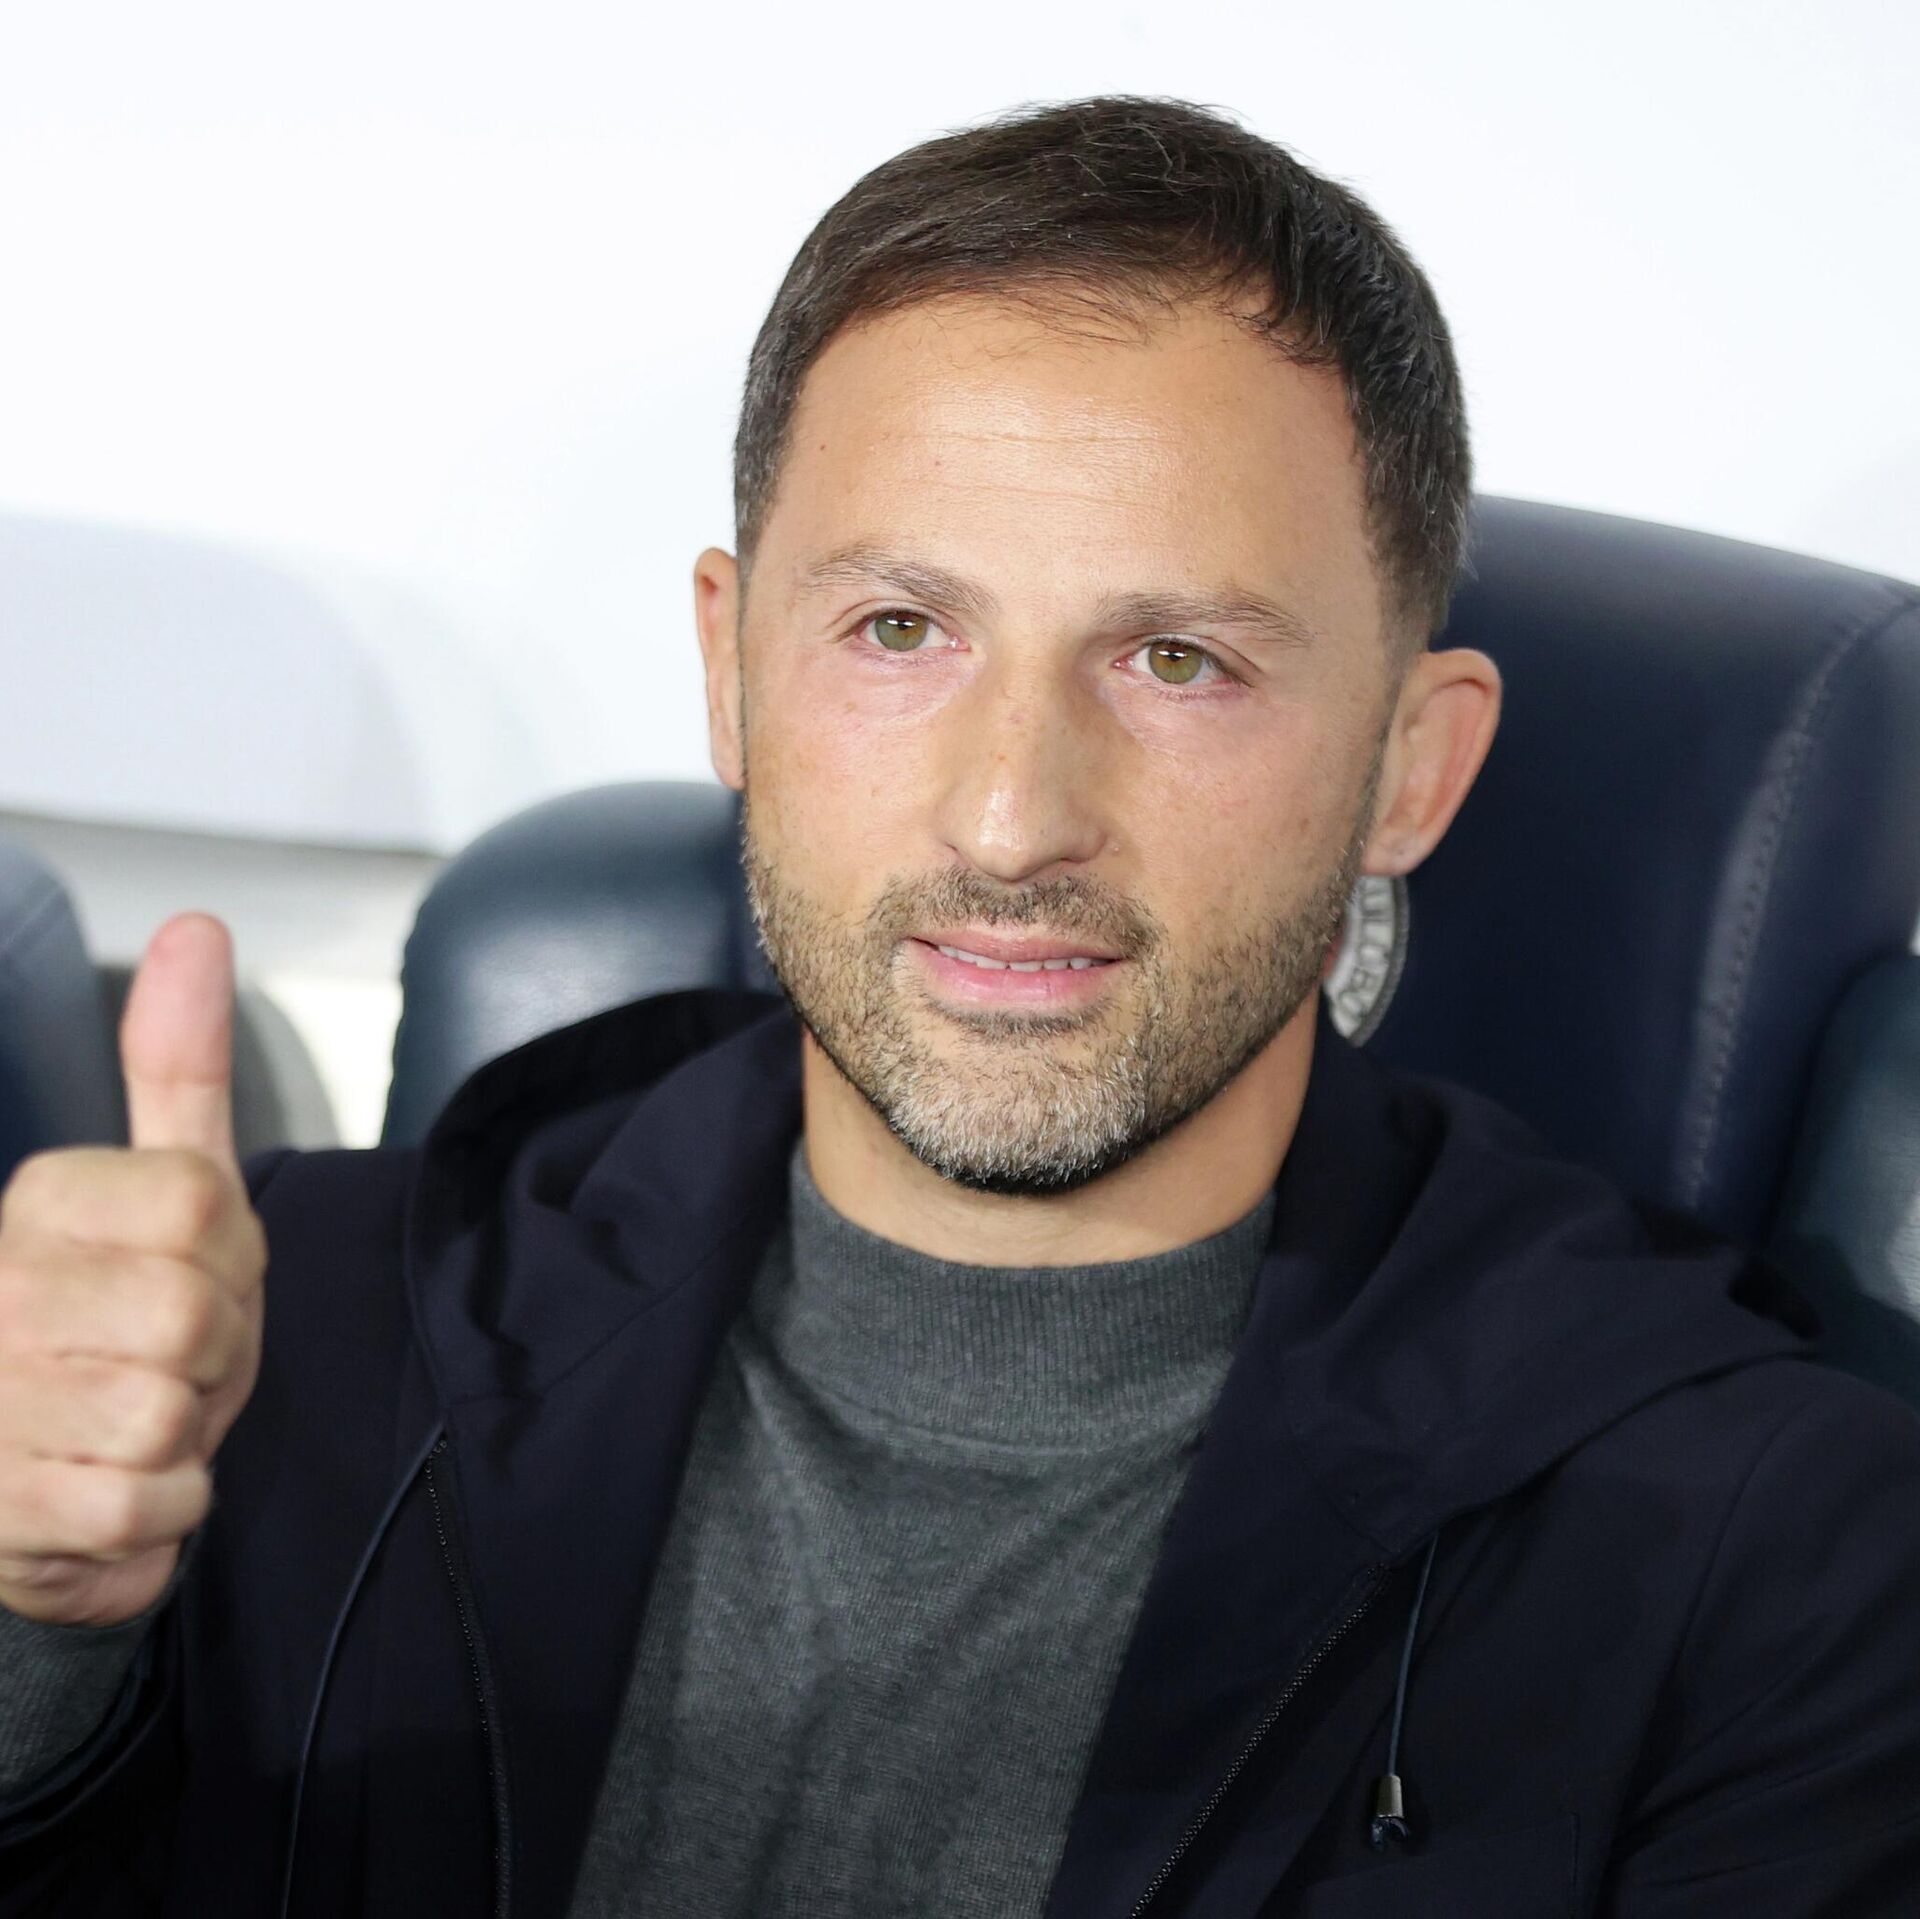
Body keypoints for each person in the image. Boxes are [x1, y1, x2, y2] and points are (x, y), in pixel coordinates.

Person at [2, 95, 1918, 1919]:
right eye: (900, 630)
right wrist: (35, 1634)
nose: (1013, 820)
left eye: (1178, 660)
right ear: (730, 675)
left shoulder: (1755, 1561)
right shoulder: (266, 1341)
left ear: (1413, 768)